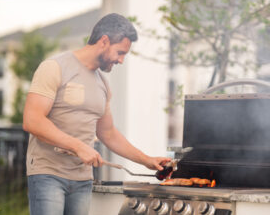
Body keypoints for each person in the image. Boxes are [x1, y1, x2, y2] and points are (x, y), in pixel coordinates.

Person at [23, 13, 171, 215]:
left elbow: (108, 133)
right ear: (104, 41)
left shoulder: (102, 83)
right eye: (120, 53)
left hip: (82, 180)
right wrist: (79, 146)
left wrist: (147, 160)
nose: (121, 60)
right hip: (48, 174)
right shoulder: (55, 68)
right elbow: (33, 121)